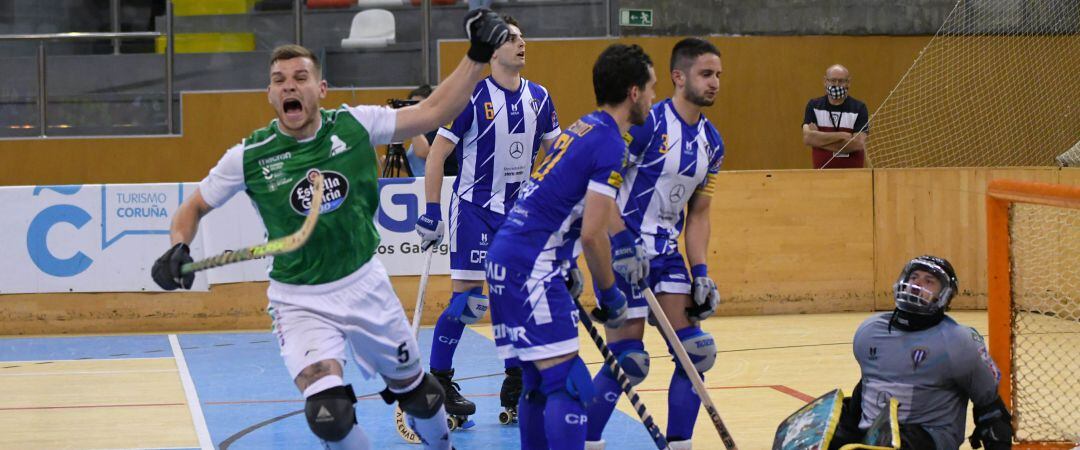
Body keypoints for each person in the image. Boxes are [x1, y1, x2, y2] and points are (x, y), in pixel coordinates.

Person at [149, 10, 510, 450]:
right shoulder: (250, 156)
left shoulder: (355, 126)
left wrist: (475, 55)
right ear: (270, 94)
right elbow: (193, 207)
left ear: (320, 89)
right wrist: (177, 247)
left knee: (420, 395)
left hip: (364, 286)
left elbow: (434, 110)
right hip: (298, 300)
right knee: (329, 416)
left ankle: (443, 446)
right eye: (279, 79)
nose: (289, 86)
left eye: (300, 77)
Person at [483, 43, 656, 450]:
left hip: (510, 259)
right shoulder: (611, 144)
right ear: (633, 92)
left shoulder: (585, 128)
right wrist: (610, 295)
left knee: (537, 382)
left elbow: (568, 204)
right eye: (650, 87)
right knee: (569, 382)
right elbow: (593, 234)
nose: (653, 97)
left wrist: (578, 259)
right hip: (532, 266)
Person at [413, 14, 561, 424]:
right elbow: (437, 154)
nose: (521, 43)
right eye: (512, 38)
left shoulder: (540, 98)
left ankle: (516, 380)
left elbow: (554, 152)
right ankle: (440, 382)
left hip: (518, 215)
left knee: (516, 300)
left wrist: (543, 196)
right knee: (470, 301)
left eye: (522, 37)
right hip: (475, 209)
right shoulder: (472, 97)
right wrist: (429, 211)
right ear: (494, 50)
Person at [583, 37, 725, 450]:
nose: (714, 82)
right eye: (705, 74)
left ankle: (680, 444)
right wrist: (623, 243)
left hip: (666, 256)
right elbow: (603, 192)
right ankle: (586, 441)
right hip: (622, 251)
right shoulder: (646, 125)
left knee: (696, 354)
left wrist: (700, 272)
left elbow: (698, 214)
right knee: (628, 359)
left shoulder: (712, 143)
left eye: (718, 75)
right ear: (678, 77)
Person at [829, 256, 1014, 450]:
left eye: (929, 281)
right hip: (873, 436)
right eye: (914, 277)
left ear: (945, 295)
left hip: (927, 437)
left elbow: (990, 410)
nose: (917, 284)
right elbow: (867, 384)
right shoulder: (870, 330)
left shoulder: (958, 342)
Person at [801, 64, 869, 169]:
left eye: (841, 81)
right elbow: (808, 138)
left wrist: (819, 139)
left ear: (848, 83)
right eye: (833, 80)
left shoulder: (859, 108)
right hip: (822, 175)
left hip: (853, 175)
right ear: (825, 81)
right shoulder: (813, 106)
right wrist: (843, 135)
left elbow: (858, 144)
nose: (836, 85)